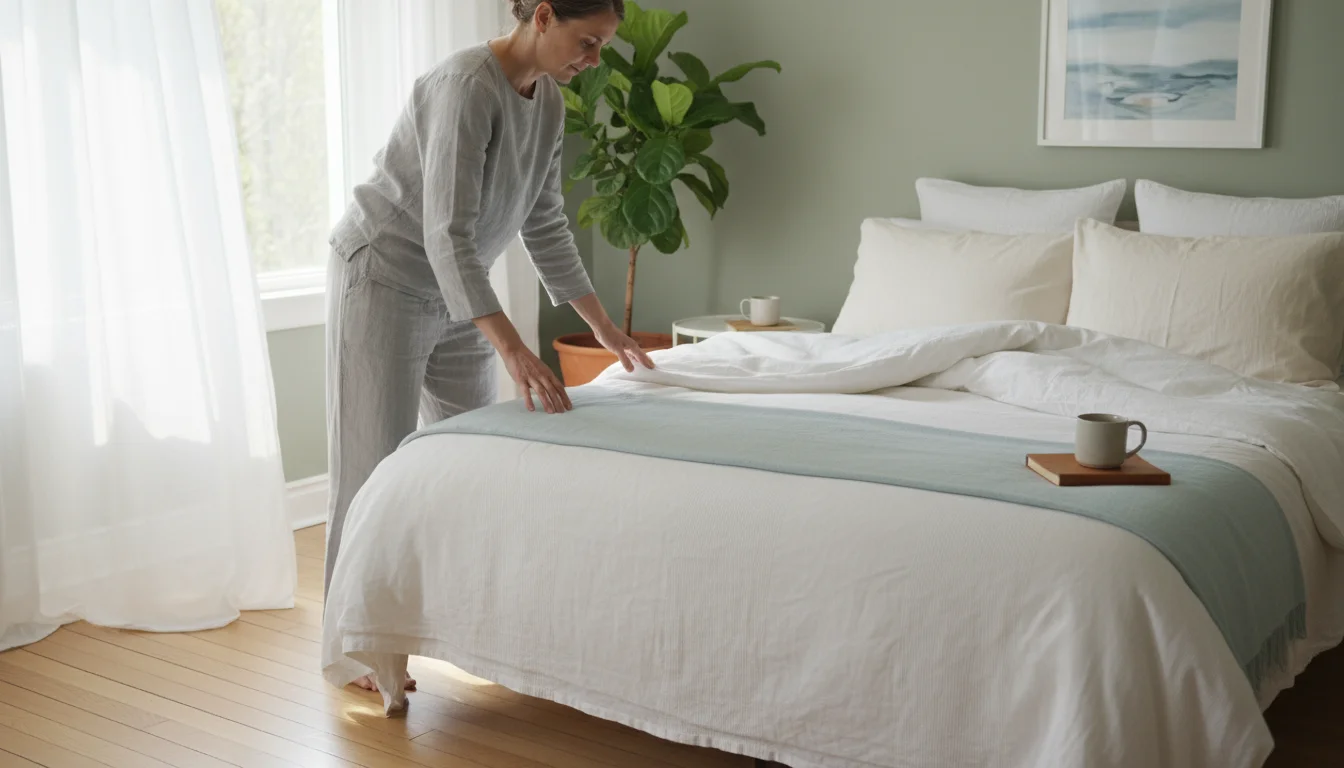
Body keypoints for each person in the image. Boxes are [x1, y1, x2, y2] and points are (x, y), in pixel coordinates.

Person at [323, 0, 650, 692]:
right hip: (385, 275)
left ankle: (452, 624)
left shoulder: (551, 104)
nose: (592, 60)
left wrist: (602, 327)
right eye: (586, 41)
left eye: (600, 48)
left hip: (458, 297)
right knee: (371, 465)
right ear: (541, 15)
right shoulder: (467, 85)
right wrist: (512, 348)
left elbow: (546, 221)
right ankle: (355, 647)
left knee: (462, 463)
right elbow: (445, 231)